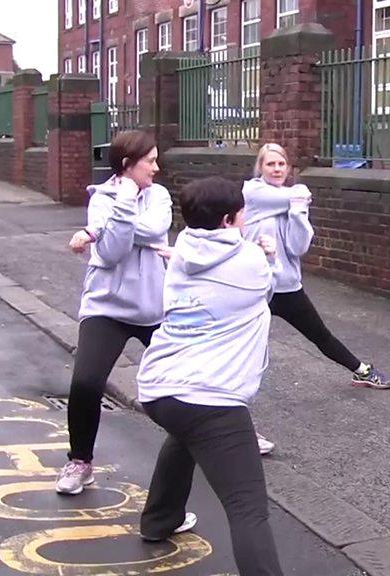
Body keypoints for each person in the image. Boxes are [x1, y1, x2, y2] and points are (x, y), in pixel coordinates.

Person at [137, 176, 282, 576]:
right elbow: (271, 288)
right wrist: (267, 253)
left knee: (186, 432)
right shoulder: (250, 261)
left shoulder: (182, 250)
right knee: (248, 510)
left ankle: (159, 520)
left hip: (160, 387)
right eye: (241, 212)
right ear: (227, 219)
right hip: (212, 396)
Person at [243, 143, 390, 455]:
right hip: (257, 287)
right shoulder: (253, 193)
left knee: (320, 334)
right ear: (260, 168)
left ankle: (362, 370)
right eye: (270, 164)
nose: (277, 169)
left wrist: (298, 213)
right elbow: (294, 194)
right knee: (248, 354)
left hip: (288, 287)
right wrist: (299, 196)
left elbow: (299, 247)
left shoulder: (292, 200)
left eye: (282, 163)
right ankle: (238, 424)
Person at [56, 130, 172, 495]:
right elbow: (111, 254)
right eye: (150, 160)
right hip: (105, 307)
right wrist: (114, 215)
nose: (157, 167)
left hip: (153, 307)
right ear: (127, 164)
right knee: (86, 383)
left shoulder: (159, 195)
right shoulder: (100, 199)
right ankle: (80, 463)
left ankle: (229, 433)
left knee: (191, 377)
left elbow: (156, 228)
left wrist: (101, 229)